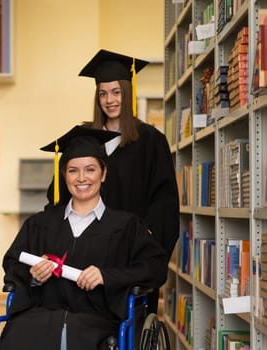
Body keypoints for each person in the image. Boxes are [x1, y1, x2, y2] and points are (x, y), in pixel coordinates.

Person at [0, 126, 168, 350]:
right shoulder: (40, 223)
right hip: (38, 319)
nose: (81, 178)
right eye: (73, 170)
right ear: (64, 175)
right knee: (16, 336)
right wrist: (33, 276)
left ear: (103, 173)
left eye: (90, 169)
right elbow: (12, 261)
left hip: (98, 323)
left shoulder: (126, 226)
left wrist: (106, 276)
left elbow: (155, 268)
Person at [46, 50, 180, 314]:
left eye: (116, 92)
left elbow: (164, 200)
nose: (110, 100)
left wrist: (145, 238)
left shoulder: (150, 140)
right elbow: (60, 192)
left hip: (128, 253)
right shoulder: (84, 138)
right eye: (103, 93)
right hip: (86, 246)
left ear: (127, 93)